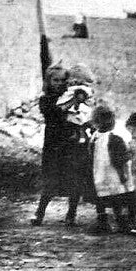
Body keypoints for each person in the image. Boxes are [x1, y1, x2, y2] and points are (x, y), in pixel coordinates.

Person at [31, 64, 92, 227]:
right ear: (48, 81)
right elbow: (56, 113)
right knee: (50, 180)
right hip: (54, 145)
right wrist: (74, 99)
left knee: (75, 179)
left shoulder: (71, 95)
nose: (58, 83)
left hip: (71, 145)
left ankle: (71, 214)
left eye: (62, 80)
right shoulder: (46, 99)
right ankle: (40, 213)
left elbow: (84, 115)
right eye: (55, 80)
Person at [90, 103, 136, 234]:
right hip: (112, 173)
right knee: (114, 197)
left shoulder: (97, 136)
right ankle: (114, 222)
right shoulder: (112, 138)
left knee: (105, 196)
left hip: (101, 173)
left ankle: (107, 221)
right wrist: (123, 171)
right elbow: (120, 159)